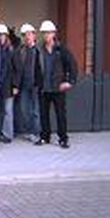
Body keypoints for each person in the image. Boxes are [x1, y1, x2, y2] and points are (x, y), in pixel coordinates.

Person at [35, 20, 78, 148]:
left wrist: (70, 82)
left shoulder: (61, 50)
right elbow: (36, 68)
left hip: (58, 88)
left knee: (60, 114)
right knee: (43, 115)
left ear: (54, 33)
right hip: (44, 88)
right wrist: (37, 83)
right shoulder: (40, 50)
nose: (47, 36)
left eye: (49, 33)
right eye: (44, 33)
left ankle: (63, 139)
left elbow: (73, 66)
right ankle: (44, 137)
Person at [14, 23, 41, 143]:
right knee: (24, 110)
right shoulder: (20, 51)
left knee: (35, 111)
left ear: (34, 35)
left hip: (36, 85)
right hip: (24, 85)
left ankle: (36, 133)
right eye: (24, 35)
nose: (27, 37)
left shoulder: (39, 50)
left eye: (29, 34)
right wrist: (16, 85)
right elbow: (17, 69)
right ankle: (30, 131)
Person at [0, 24, 17, 144]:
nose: (0, 37)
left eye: (2, 35)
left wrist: (15, 85)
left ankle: (7, 134)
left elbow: (16, 69)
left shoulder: (12, 51)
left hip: (8, 85)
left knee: (7, 111)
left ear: (6, 36)